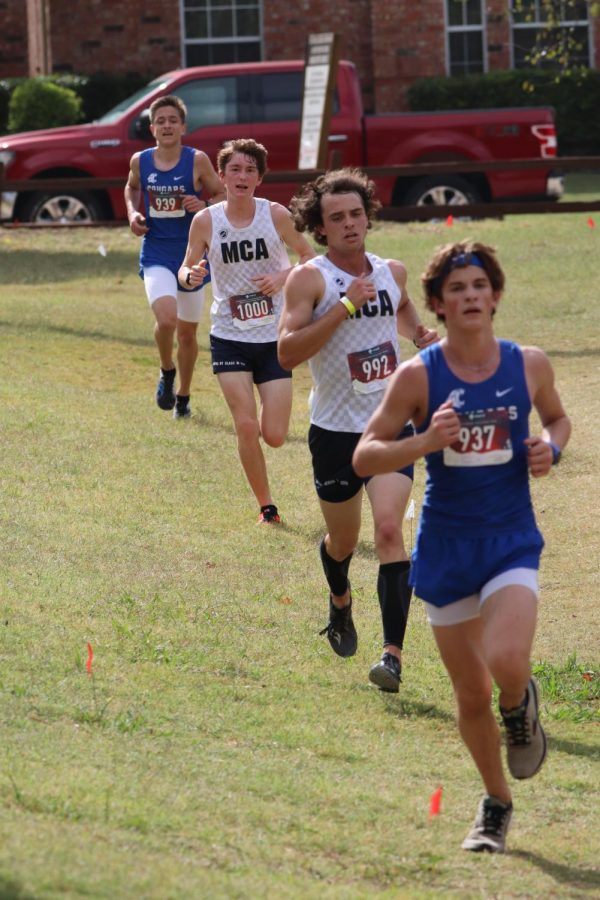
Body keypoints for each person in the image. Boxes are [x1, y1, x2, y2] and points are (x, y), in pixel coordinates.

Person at [353, 239, 571, 852]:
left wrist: (548, 450)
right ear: (437, 304)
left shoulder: (527, 363)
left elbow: (557, 419)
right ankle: (496, 802)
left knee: (505, 660)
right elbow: (366, 453)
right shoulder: (419, 375)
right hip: (446, 548)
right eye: (457, 289)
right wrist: (423, 443)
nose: (470, 296)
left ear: (495, 296)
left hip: (509, 541)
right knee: (468, 693)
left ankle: (519, 702)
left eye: (479, 286)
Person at [278, 168, 438, 690]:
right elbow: (286, 350)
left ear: (368, 215)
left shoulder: (392, 271)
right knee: (343, 542)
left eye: (356, 214)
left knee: (391, 532)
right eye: (336, 218)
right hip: (334, 433)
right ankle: (340, 598)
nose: (349, 224)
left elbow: (404, 307)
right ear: (321, 228)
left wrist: (418, 332)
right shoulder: (311, 278)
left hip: (389, 425)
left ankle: (391, 656)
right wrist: (346, 306)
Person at [178, 138, 315, 523]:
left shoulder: (275, 215)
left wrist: (281, 276)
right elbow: (185, 269)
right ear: (220, 176)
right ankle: (266, 506)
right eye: (234, 169)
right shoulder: (206, 220)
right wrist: (192, 275)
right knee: (245, 423)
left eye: (250, 170)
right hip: (228, 333)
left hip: (273, 336)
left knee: (273, 434)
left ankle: (267, 487)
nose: (241, 176)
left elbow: (309, 258)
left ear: (260, 177)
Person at [124, 95, 225, 419]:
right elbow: (132, 188)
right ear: (152, 128)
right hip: (155, 250)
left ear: (183, 126)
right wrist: (132, 214)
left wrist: (204, 206)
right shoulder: (141, 160)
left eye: (173, 120)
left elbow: (221, 194)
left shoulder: (197, 161)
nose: (167, 126)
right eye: (161, 121)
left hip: (192, 254)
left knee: (187, 333)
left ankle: (183, 395)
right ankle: (167, 371)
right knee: (166, 320)